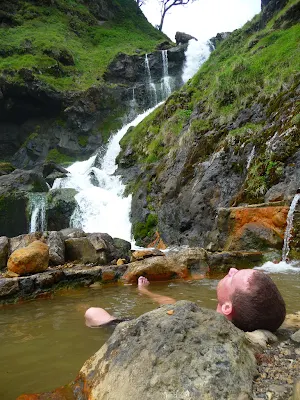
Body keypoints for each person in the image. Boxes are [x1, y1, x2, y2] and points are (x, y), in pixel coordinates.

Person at [84, 268, 286, 332]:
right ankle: (144, 292)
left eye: (233, 277)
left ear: (226, 307)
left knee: (92, 313)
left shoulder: (201, 326)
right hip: (172, 314)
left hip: (143, 329)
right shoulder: (221, 319)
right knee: (173, 304)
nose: (231, 269)